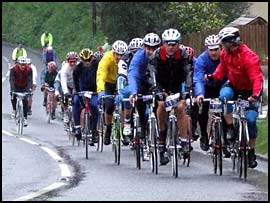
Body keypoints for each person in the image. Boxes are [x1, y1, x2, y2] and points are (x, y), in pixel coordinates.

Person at [206, 27, 263, 168]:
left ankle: (251, 151)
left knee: (250, 120)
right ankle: (230, 127)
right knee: (224, 96)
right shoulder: (225, 54)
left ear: (232, 42)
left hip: (250, 91)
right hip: (233, 85)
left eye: (224, 42)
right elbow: (222, 69)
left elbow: (257, 78)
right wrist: (213, 77)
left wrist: (255, 95)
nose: (222, 46)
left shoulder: (248, 56)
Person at [147, 28, 190, 165]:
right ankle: (161, 134)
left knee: (181, 107)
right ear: (163, 44)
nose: (171, 47)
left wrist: (187, 90)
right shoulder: (156, 56)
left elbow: (189, 73)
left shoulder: (183, 55)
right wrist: (157, 90)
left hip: (178, 86)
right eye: (168, 44)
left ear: (178, 44)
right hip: (161, 86)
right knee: (161, 105)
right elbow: (152, 74)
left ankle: (183, 142)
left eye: (174, 44)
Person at [193, 34, 229, 157]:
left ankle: (226, 140)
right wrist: (200, 94)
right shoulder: (202, 60)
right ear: (207, 49)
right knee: (202, 110)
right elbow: (198, 78)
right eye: (211, 50)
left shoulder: (226, 56)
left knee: (225, 113)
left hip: (222, 85)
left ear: (221, 48)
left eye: (216, 49)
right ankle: (203, 135)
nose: (213, 53)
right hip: (207, 87)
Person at [127, 33, 161, 150]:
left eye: (154, 48)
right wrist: (133, 92)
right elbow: (132, 74)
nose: (151, 51)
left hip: (157, 81)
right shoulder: (138, 57)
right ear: (144, 47)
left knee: (160, 104)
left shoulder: (162, 56)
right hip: (142, 82)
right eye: (148, 48)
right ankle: (141, 122)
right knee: (140, 102)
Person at [97, 40, 128, 145]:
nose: (119, 57)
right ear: (113, 52)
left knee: (125, 104)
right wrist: (101, 91)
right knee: (109, 105)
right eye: (117, 54)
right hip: (109, 83)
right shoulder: (107, 58)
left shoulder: (127, 59)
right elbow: (101, 75)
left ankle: (124, 130)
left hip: (123, 82)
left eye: (121, 55)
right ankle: (108, 128)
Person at [117, 37, 143, 144]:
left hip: (143, 81)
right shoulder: (124, 59)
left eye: (138, 51)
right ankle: (127, 121)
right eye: (134, 51)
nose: (136, 54)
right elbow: (121, 77)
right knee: (127, 93)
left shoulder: (147, 57)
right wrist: (120, 91)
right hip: (129, 81)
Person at [72, 48, 99, 144]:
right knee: (75, 102)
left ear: (92, 58)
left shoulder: (97, 65)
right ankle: (77, 127)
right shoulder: (77, 68)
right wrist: (79, 96)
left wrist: (99, 90)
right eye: (84, 61)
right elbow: (75, 83)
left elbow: (100, 77)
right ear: (81, 60)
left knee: (94, 106)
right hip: (82, 90)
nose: (87, 63)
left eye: (89, 60)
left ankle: (94, 129)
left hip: (94, 90)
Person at [9, 56, 33, 127]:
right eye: (21, 65)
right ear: (18, 64)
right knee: (13, 95)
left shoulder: (29, 69)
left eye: (24, 65)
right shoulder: (13, 69)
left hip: (24, 86)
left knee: (25, 100)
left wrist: (29, 89)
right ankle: (14, 109)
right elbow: (11, 80)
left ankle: (25, 118)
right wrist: (12, 89)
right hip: (16, 85)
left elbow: (30, 80)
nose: (22, 66)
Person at [61, 52, 80, 129]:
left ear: (77, 61)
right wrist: (66, 92)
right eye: (70, 62)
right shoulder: (65, 68)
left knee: (77, 99)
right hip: (68, 85)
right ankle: (66, 113)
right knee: (65, 98)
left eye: (74, 61)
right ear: (67, 61)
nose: (72, 63)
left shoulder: (79, 66)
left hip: (76, 85)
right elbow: (63, 81)